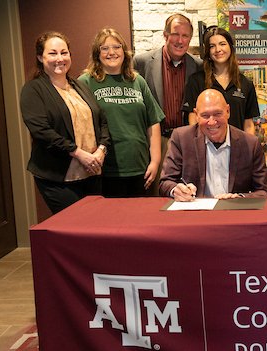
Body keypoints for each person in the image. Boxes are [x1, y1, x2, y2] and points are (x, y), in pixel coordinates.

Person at [20, 31, 110, 214]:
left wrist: (101, 150)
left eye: (64, 52)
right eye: (52, 53)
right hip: (57, 178)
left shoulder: (80, 86)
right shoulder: (33, 89)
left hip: (91, 172)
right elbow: (42, 131)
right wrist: (78, 153)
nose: (59, 58)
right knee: (75, 228)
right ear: (40, 57)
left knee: (95, 226)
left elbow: (101, 121)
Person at [79, 28, 165, 197]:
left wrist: (155, 162)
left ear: (124, 51)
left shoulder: (137, 80)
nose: (111, 52)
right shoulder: (86, 82)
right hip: (105, 169)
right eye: (104, 48)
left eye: (116, 47)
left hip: (139, 166)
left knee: (140, 219)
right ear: (97, 54)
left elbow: (153, 121)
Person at [133, 14, 202, 194]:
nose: (180, 40)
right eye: (175, 34)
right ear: (165, 35)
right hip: (157, 143)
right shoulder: (141, 63)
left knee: (189, 194)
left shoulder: (199, 66)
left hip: (188, 142)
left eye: (185, 35)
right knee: (157, 196)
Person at [160, 89, 267, 200]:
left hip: (234, 213)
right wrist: (176, 190)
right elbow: (165, 183)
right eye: (205, 115)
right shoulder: (181, 138)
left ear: (228, 111)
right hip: (196, 213)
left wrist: (239, 198)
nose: (212, 121)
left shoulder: (250, 144)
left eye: (217, 114)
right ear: (196, 115)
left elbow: (264, 192)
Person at [182, 27, 259, 134]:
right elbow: (193, 120)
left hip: (237, 147)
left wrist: (247, 149)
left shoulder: (246, 83)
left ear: (231, 47)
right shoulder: (196, 81)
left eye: (222, 44)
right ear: (208, 51)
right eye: (212, 46)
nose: (218, 49)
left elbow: (249, 124)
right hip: (206, 147)